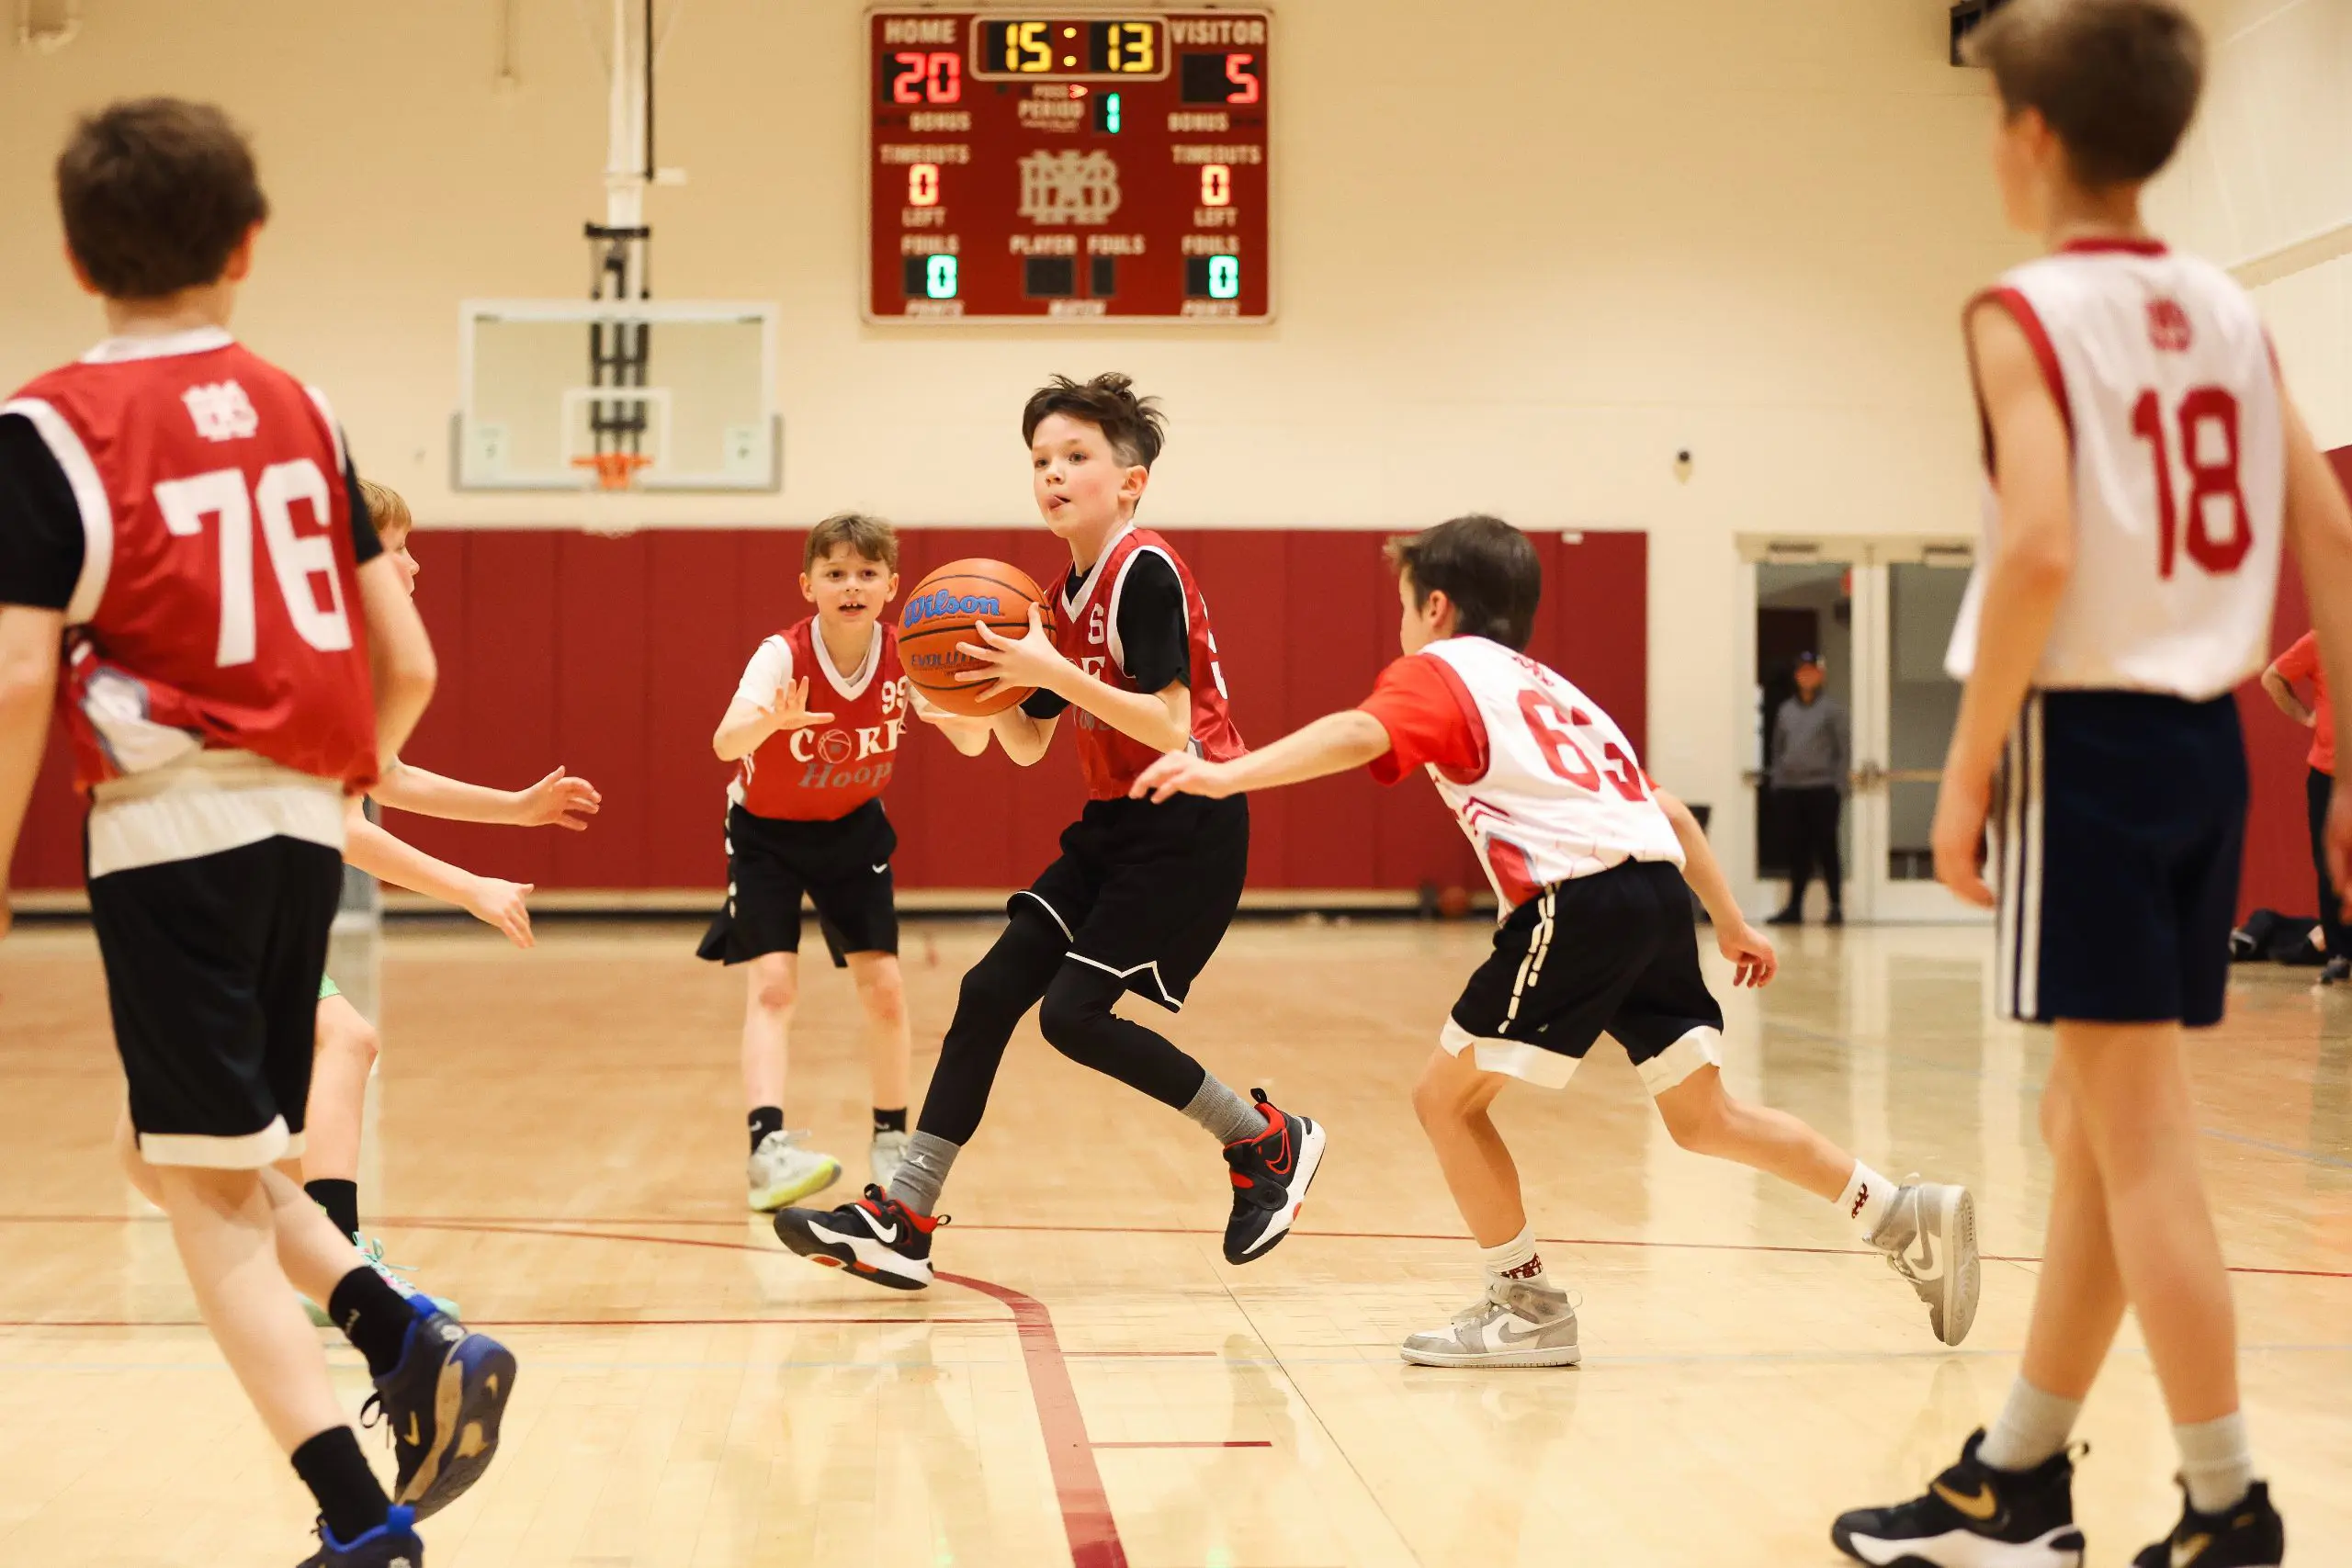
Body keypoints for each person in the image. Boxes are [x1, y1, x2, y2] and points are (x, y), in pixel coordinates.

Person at [1828, 5, 2352, 1563]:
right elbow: (2326, 536)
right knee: (2086, 1122)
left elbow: (2046, 543)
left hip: (2098, 747)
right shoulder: (2232, 308)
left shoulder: (2023, 308)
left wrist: (1966, 769)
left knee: (2140, 1139)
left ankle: (2225, 1500)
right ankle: (2020, 1472)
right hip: (2207, 753)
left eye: (1996, 117)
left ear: (2035, 136)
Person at [0, 100, 518, 1565]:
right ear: (247, 243)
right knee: (171, 1150)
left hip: (168, 832)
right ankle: (390, 1324)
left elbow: (22, 671)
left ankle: (363, 1511)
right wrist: (325, 776)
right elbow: (403, 663)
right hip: (301, 829)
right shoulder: (306, 410)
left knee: (208, 1192)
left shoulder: (45, 426)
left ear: (70, 251)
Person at [1134, 515, 1981, 1364]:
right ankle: (1900, 1212)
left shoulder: (1441, 670)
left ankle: (1526, 1300)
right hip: (1653, 891)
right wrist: (1728, 921)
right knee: (1705, 1116)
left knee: (1444, 1101)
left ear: (1435, 605)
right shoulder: (1559, 695)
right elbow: (1671, 812)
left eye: (1401, 605)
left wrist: (1222, 773)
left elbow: (1360, 734)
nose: (1399, 625)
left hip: (1579, 900)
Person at [770, 373, 1325, 1289]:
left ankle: (1265, 1141)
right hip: (1115, 824)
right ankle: (902, 1219)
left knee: (1072, 1016)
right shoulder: (1050, 602)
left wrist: (1047, 669)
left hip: (1191, 817)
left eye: (1076, 457)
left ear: (1131, 481)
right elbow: (1027, 745)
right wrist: (963, 702)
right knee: (990, 992)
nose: (1053, 475)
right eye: (1040, 461)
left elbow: (1169, 722)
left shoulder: (1144, 569)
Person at [291, 479, 600, 1317]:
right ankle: (338, 1267)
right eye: (397, 545)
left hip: (244, 909)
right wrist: (471, 885)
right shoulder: (316, 665)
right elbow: (342, 819)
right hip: (219, 903)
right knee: (344, 1043)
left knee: (278, 1096)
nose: (415, 561)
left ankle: (322, 1255)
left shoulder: (339, 662)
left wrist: (516, 808)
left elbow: (382, 775)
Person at [700, 513, 986, 1210]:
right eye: (835, 573)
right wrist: (771, 721)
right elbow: (723, 741)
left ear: (892, 585)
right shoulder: (782, 655)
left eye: (865, 573)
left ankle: (892, 1141)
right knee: (773, 985)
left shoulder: (910, 654)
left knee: (885, 989)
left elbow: (977, 747)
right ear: (809, 585)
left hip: (853, 830)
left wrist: (958, 713)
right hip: (766, 832)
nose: (850, 585)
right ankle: (768, 1150)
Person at [2261, 629, 2346, 983]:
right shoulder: (2320, 640)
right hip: (2329, 772)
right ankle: (2342, 954)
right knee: (2331, 868)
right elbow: (2273, 678)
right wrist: (2305, 716)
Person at [1768, 651, 1849, 925]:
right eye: (1802, 671)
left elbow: (1843, 750)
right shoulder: (1785, 711)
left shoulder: (1832, 711)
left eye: (1812, 671)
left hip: (1823, 788)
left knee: (1827, 848)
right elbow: (1777, 749)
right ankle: (1794, 907)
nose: (1807, 676)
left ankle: (1836, 906)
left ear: (1821, 675)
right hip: (1792, 790)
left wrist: (1839, 785)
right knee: (1796, 850)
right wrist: (1778, 782)